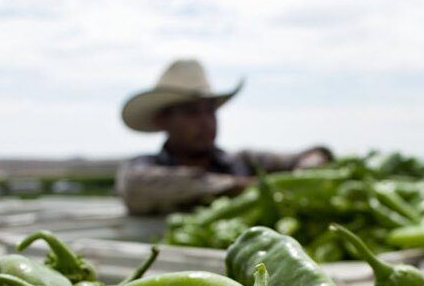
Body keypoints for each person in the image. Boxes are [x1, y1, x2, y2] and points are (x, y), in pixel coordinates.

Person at [116, 58, 332, 215]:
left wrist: (311, 166)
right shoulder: (143, 169)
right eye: (192, 112)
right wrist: (247, 187)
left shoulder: (242, 161)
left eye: (210, 110)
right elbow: (135, 188)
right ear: (163, 121)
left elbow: (311, 154)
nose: (206, 121)